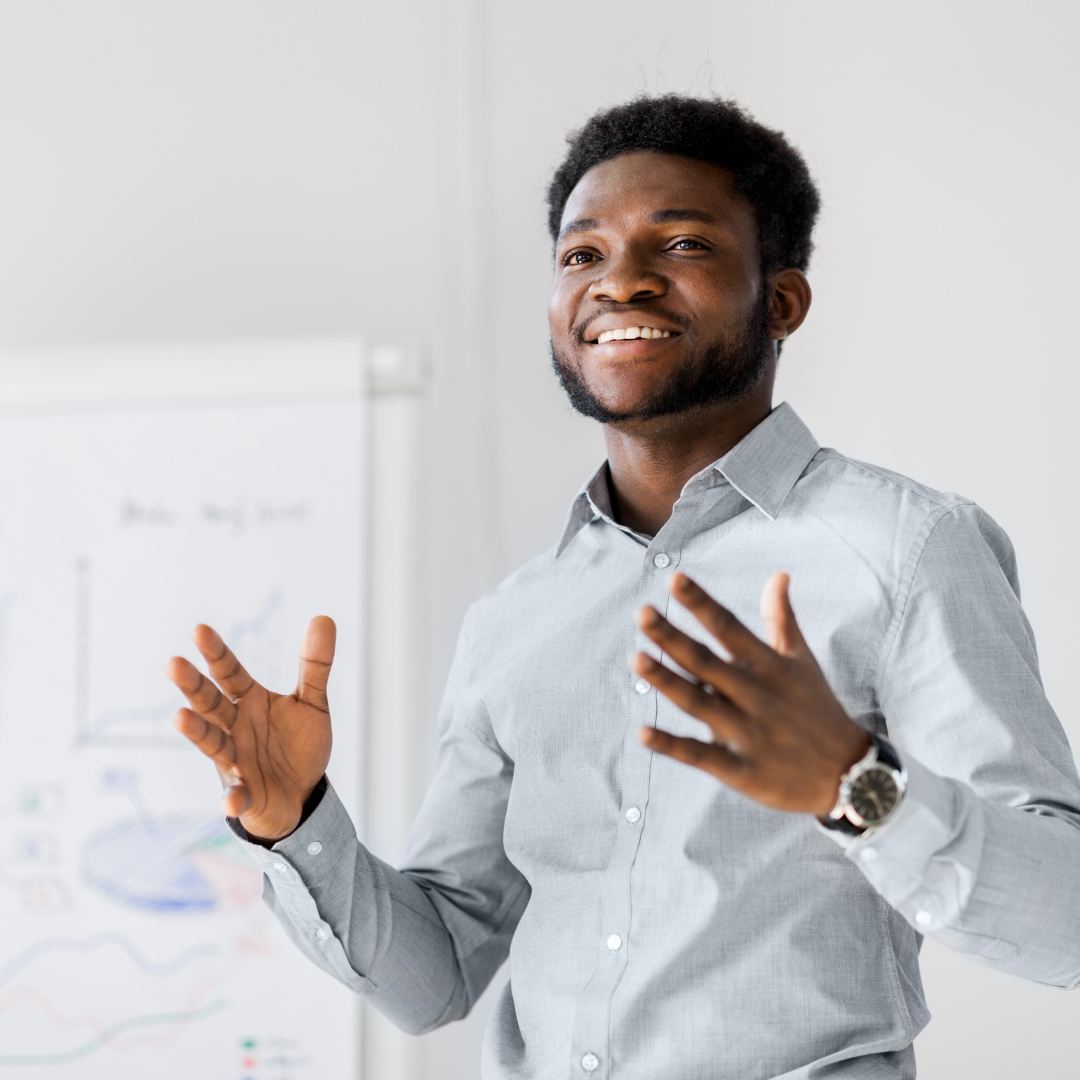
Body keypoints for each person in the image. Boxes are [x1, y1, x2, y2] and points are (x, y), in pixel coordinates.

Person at [166, 96, 1080, 1079]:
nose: (622, 281)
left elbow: (1063, 922)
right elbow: (435, 979)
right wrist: (295, 820)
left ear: (782, 303)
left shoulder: (905, 547)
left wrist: (850, 782)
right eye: (582, 253)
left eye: (682, 243)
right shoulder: (515, 618)